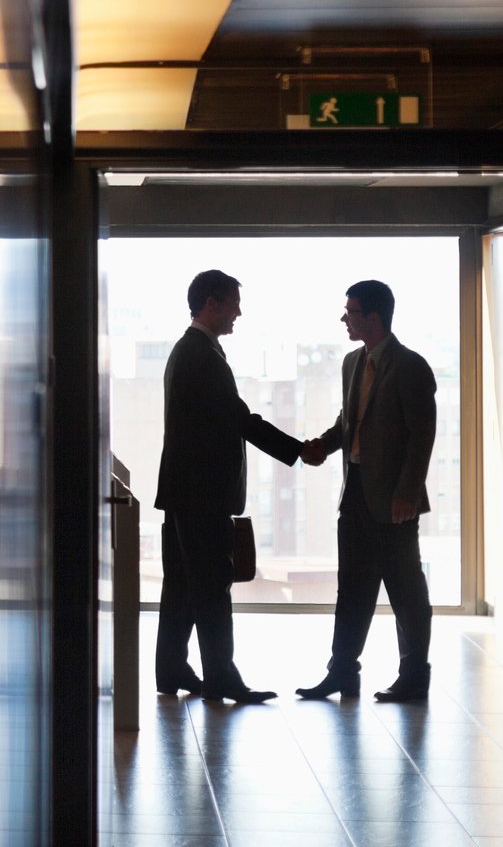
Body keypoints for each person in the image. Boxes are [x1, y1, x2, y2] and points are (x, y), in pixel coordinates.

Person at [153, 269, 306, 703]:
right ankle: (221, 677)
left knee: (182, 585)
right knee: (212, 587)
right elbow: (239, 419)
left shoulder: (192, 351)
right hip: (202, 496)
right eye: (234, 301)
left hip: (185, 493)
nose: (239, 310)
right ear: (212, 303)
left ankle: (172, 670)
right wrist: (297, 450)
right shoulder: (200, 355)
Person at [296, 279, 437, 702]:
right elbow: (349, 423)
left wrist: (407, 494)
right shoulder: (351, 363)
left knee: (405, 590)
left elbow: (421, 437)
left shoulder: (411, 366)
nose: (344, 318)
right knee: (352, 588)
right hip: (355, 492)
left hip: (394, 499)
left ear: (373, 317)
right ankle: (342, 672)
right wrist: (323, 443)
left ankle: (414, 675)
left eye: (351, 312)